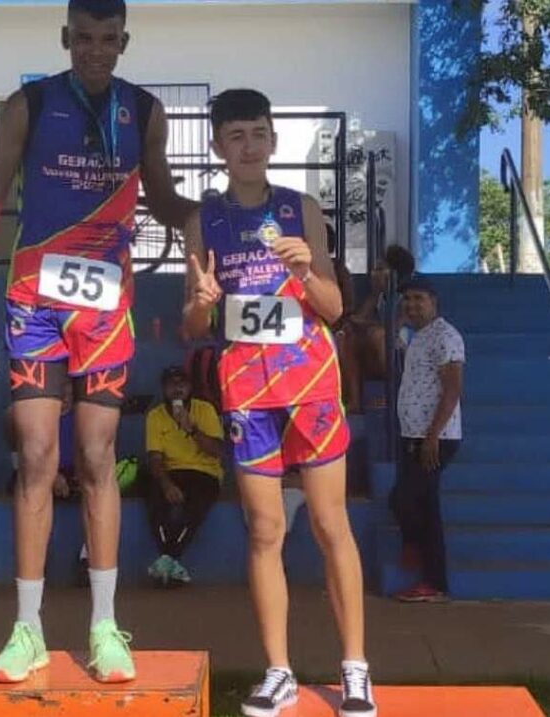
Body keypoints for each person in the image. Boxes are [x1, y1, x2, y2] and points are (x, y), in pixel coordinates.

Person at [0, 0, 197, 685]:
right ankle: (27, 628)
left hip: (104, 310)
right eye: (85, 38)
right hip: (33, 301)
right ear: (66, 38)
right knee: (36, 451)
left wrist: (205, 221)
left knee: (96, 454)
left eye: (109, 39)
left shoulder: (145, 110)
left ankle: (103, 625)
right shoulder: (28, 105)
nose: (96, 50)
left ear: (125, 41)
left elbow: (163, 196)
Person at [182, 89, 375, 717]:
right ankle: (279, 671)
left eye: (258, 133)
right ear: (218, 146)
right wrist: (202, 303)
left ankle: (354, 670)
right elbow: (192, 326)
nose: (248, 145)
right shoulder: (202, 221)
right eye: (235, 135)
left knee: (328, 524)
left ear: (273, 141)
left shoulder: (302, 209)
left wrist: (305, 270)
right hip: (246, 389)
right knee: (264, 529)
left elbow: (334, 307)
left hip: (309, 382)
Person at [389, 279, 464, 603]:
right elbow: (392, 344)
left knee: (404, 499)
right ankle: (433, 581)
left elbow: (452, 389)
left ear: (434, 301)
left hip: (434, 437)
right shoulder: (418, 337)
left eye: (419, 299)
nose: (412, 305)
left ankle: (426, 567)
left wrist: (433, 435)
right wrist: (399, 322)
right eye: (406, 299)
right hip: (412, 434)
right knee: (424, 505)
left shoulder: (446, 336)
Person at [144, 366, 224, 587]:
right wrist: (167, 485)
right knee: (155, 500)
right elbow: (155, 459)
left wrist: (191, 429)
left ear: (190, 387)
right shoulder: (156, 415)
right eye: (172, 384)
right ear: (164, 389)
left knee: (195, 506)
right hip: (171, 471)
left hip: (203, 472)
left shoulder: (204, 410)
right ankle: (171, 563)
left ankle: (167, 559)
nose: (177, 389)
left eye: (182, 384)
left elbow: (216, 451)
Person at [339, 244, 416, 411]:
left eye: (380, 269)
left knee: (378, 336)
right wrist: (375, 293)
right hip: (382, 355)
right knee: (347, 335)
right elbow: (357, 320)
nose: (374, 274)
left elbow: (394, 330)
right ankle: (355, 400)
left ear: (394, 274)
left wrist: (369, 327)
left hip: (406, 358)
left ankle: (395, 397)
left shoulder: (408, 298)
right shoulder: (381, 298)